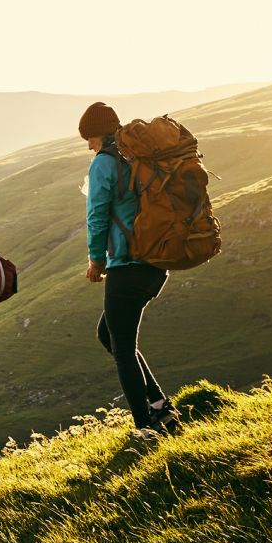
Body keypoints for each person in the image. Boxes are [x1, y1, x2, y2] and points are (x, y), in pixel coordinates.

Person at [79, 102, 181, 435]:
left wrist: (97, 259)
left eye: (89, 139)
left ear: (97, 134)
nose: (89, 145)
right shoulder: (136, 157)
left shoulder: (104, 164)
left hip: (128, 265)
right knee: (107, 334)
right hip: (156, 263)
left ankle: (146, 427)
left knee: (122, 347)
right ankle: (159, 406)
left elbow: (96, 216)